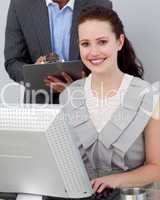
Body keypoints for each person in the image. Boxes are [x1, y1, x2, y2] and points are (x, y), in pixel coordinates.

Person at [59, 5, 160, 193]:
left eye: (102, 42)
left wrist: (115, 180)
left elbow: (157, 168)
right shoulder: (68, 96)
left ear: (119, 42)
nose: (93, 52)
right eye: (85, 44)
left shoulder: (148, 97)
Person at [4, 0, 112, 104]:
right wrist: (33, 74)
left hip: (87, 102)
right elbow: (13, 61)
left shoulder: (100, 4)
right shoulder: (20, 5)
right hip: (40, 104)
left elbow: (109, 60)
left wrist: (81, 85)